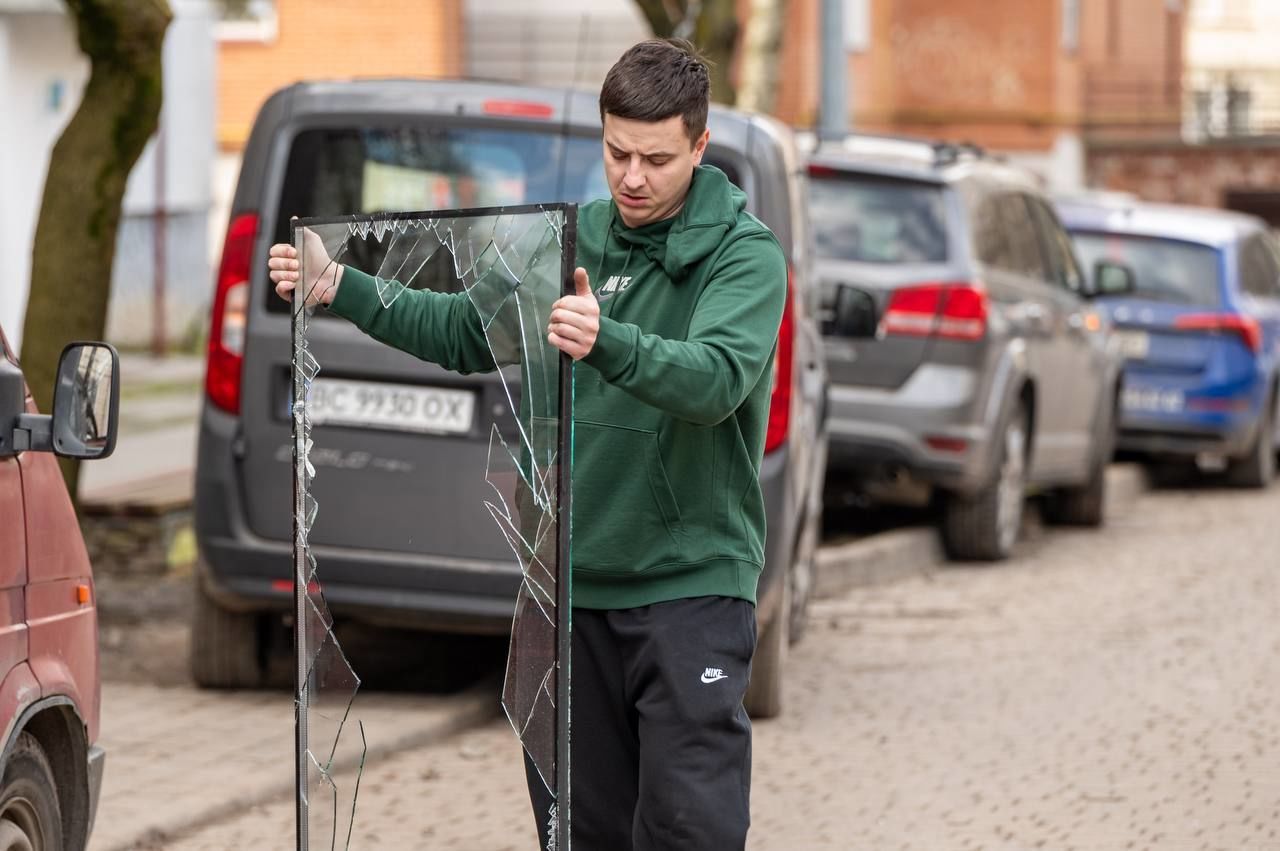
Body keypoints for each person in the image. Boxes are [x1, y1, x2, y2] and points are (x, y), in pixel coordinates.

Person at [269, 38, 787, 851]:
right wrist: (343, 286)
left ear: (699, 145)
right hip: (571, 589)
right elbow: (468, 330)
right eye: (617, 152)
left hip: (691, 590)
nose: (632, 177)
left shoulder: (743, 256)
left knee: (692, 830)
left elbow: (716, 379)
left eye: (656, 158)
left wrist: (606, 339)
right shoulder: (572, 238)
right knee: (578, 833)